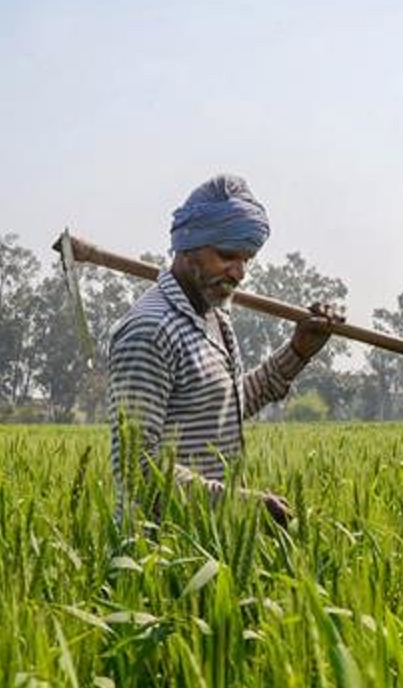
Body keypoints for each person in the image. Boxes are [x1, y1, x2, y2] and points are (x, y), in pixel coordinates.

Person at [108, 174, 342, 525]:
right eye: (227, 255)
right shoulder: (150, 330)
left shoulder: (214, 316)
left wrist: (298, 351)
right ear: (188, 245)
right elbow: (137, 466)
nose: (240, 272)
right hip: (158, 552)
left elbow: (225, 406)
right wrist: (239, 504)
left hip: (210, 539)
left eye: (246, 259)